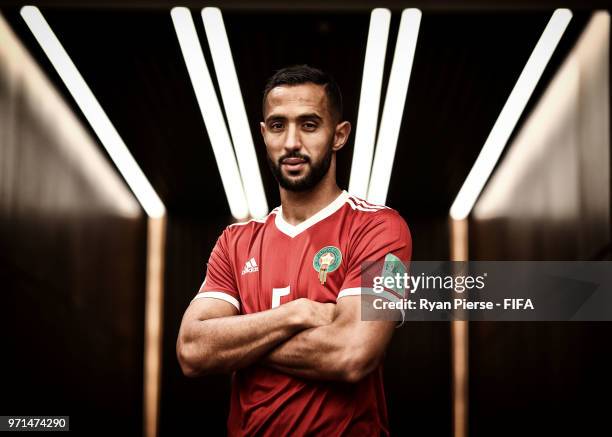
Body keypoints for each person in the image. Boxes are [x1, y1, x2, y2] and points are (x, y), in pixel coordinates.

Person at [177, 64, 412, 436]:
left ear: (339, 135)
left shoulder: (381, 229)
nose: (290, 143)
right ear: (263, 134)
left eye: (309, 124)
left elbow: (351, 352)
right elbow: (191, 350)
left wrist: (237, 342)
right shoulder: (235, 242)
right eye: (277, 125)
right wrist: (296, 314)